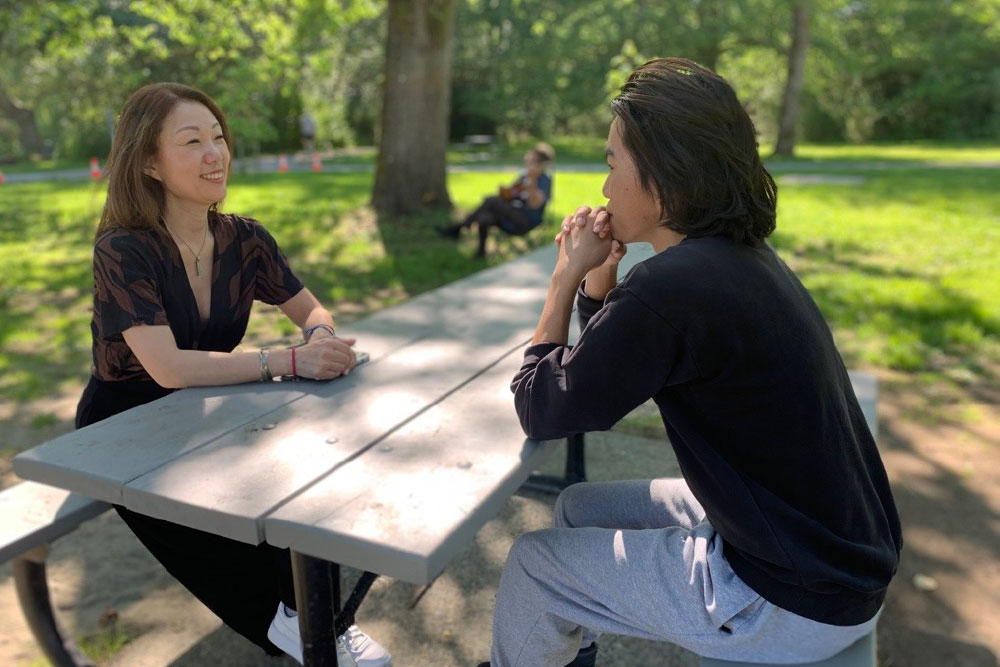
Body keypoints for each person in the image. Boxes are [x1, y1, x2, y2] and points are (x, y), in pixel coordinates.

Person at [476, 58, 902, 667]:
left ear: (663, 173)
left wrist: (564, 278)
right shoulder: (732, 259)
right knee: (574, 509)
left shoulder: (673, 288)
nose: (603, 187)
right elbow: (612, 372)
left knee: (533, 565)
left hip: (791, 596)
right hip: (827, 550)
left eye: (611, 163)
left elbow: (542, 407)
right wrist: (602, 279)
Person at [76, 82, 391, 667]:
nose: (214, 154)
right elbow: (167, 368)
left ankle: (315, 620)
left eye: (218, 137)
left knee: (293, 480)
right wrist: (286, 362)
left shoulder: (245, 239)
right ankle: (294, 629)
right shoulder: (123, 249)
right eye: (192, 142)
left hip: (208, 404)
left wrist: (320, 336)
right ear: (148, 163)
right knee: (220, 540)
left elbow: (311, 309)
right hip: (123, 424)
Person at [437, 142, 555, 258]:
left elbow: (534, 205)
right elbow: (510, 195)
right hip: (511, 214)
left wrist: (532, 180)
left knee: (491, 201)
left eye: (534, 161)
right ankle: (480, 252)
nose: (529, 163)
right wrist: (507, 192)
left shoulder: (544, 180)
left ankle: (459, 228)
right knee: (485, 217)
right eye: (530, 159)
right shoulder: (524, 177)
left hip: (525, 221)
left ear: (542, 164)